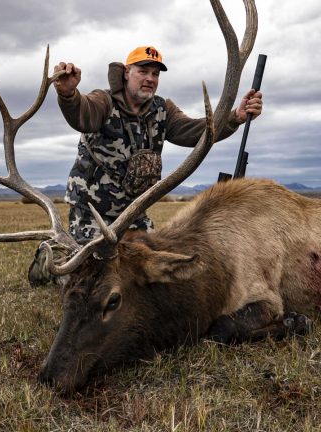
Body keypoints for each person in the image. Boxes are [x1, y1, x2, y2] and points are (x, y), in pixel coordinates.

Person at [27, 45, 263, 285]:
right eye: (143, 71)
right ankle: (51, 256)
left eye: (156, 74)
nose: (150, 78)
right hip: (93, 215)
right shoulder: (103, 101)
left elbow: (196, 131)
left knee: (155, 273)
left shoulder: (163, 110)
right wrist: (69, 95)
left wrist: (235, 117)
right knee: (91, 280)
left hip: (134, 216)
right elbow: (83, 115)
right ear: (127, 72)